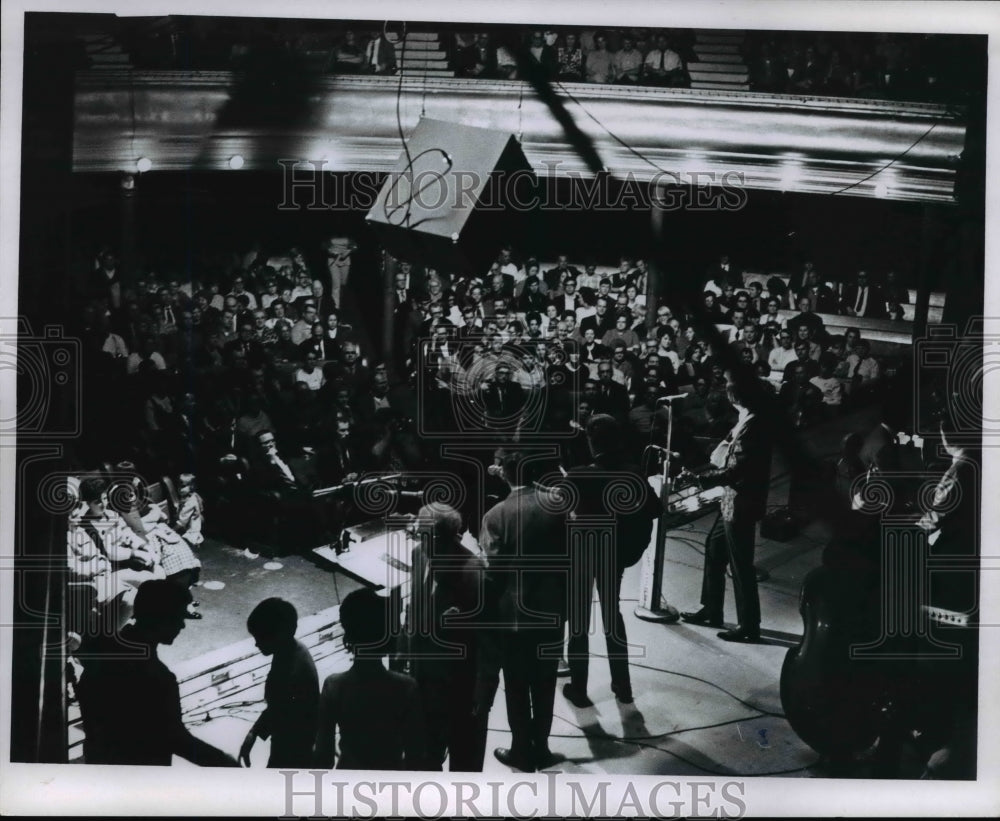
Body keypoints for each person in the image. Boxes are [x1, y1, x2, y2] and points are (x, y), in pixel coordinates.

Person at [76, 580, 240, 766]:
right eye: (178, 617)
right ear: (162, 618)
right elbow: (176, 739)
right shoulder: (157, 677)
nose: (182, 626)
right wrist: (226, 763)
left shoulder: (102, 655)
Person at [479, 452, 569, 772]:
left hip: (513, 616)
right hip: (552, 611)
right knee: (545, 683)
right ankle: (541, 747)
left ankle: (520, 749)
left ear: (502, 473)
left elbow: (491, 574)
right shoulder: (557, 503)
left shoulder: (495, 515)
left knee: (516, 685)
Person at [564, 414, 658, 707]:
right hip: (614, 555)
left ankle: (579, 688)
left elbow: (559, 516)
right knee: (612, 616)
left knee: (578, 620)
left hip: (582, 554)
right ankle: (623, 686)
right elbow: (656, 508)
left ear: (591, 443)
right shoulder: (632, 472)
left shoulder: (578, 474)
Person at [680, 376, 773, 642]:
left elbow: (737, 469)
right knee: (714, 548)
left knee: (740, 564)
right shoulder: (748, 421)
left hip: (741, 503)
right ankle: (711, 609)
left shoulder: (753, 426)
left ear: (736, 399)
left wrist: (701, 479)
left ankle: (749, 626)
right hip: (735, 500)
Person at [404, 503, 490, 771]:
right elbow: (415, 609)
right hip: (424, 681)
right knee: (425, 758)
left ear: (448, 536)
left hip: (461, 686)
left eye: (428, 536)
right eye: (419, 534)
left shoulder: (473, 572)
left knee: (465, 764)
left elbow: (490, 641)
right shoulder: (419, 555)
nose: (422, 542)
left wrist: (483, 688)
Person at [314, 588, 425, 769]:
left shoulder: (333, 686)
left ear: (349, 635)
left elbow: (322, 757)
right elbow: (416, 755)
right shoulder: (406, 688)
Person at [240, 598, 319, 768]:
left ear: (278, 635)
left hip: (292, 750)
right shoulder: (288, 649)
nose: (256, 643)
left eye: (260, 638)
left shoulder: (293, 671)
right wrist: (254, 732)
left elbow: (280, 711)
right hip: (291, 740)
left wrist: (255, 732)